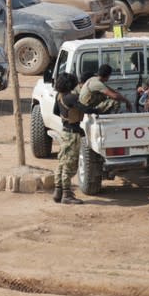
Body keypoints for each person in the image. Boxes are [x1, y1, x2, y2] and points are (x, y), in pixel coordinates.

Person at [53, 72, 93, 205]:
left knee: (62, 162)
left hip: (64, 131)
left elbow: (55, 111)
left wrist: (66, 116)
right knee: (69, 165)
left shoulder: (59, 96)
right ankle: (67, 195)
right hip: (72, 134)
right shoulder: (71, 97)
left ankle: (58, 191)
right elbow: (86, 109)